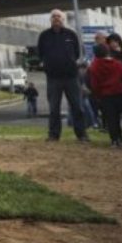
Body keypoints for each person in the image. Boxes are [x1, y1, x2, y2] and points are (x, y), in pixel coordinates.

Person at [36, 9, 88, 143]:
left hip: (71, 77)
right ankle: (53, 135)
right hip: (53, 78)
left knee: (77, 107)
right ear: (50, 19)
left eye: (58, 16)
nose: (56, 18)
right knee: (54, 109)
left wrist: (70, 63)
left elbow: (78, 53)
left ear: (63, 19)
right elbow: (40, 54)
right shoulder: (44, 36)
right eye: (53, 16)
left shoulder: (71, 34)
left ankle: (82, 135)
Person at [88, 43, 122, 148]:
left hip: (105, 95)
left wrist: (97, 95)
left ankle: (114, 139)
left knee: (111, 118)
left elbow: (94, 84)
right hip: (120, 93)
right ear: (107, 51)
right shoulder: (117, 64)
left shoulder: (94, 66)